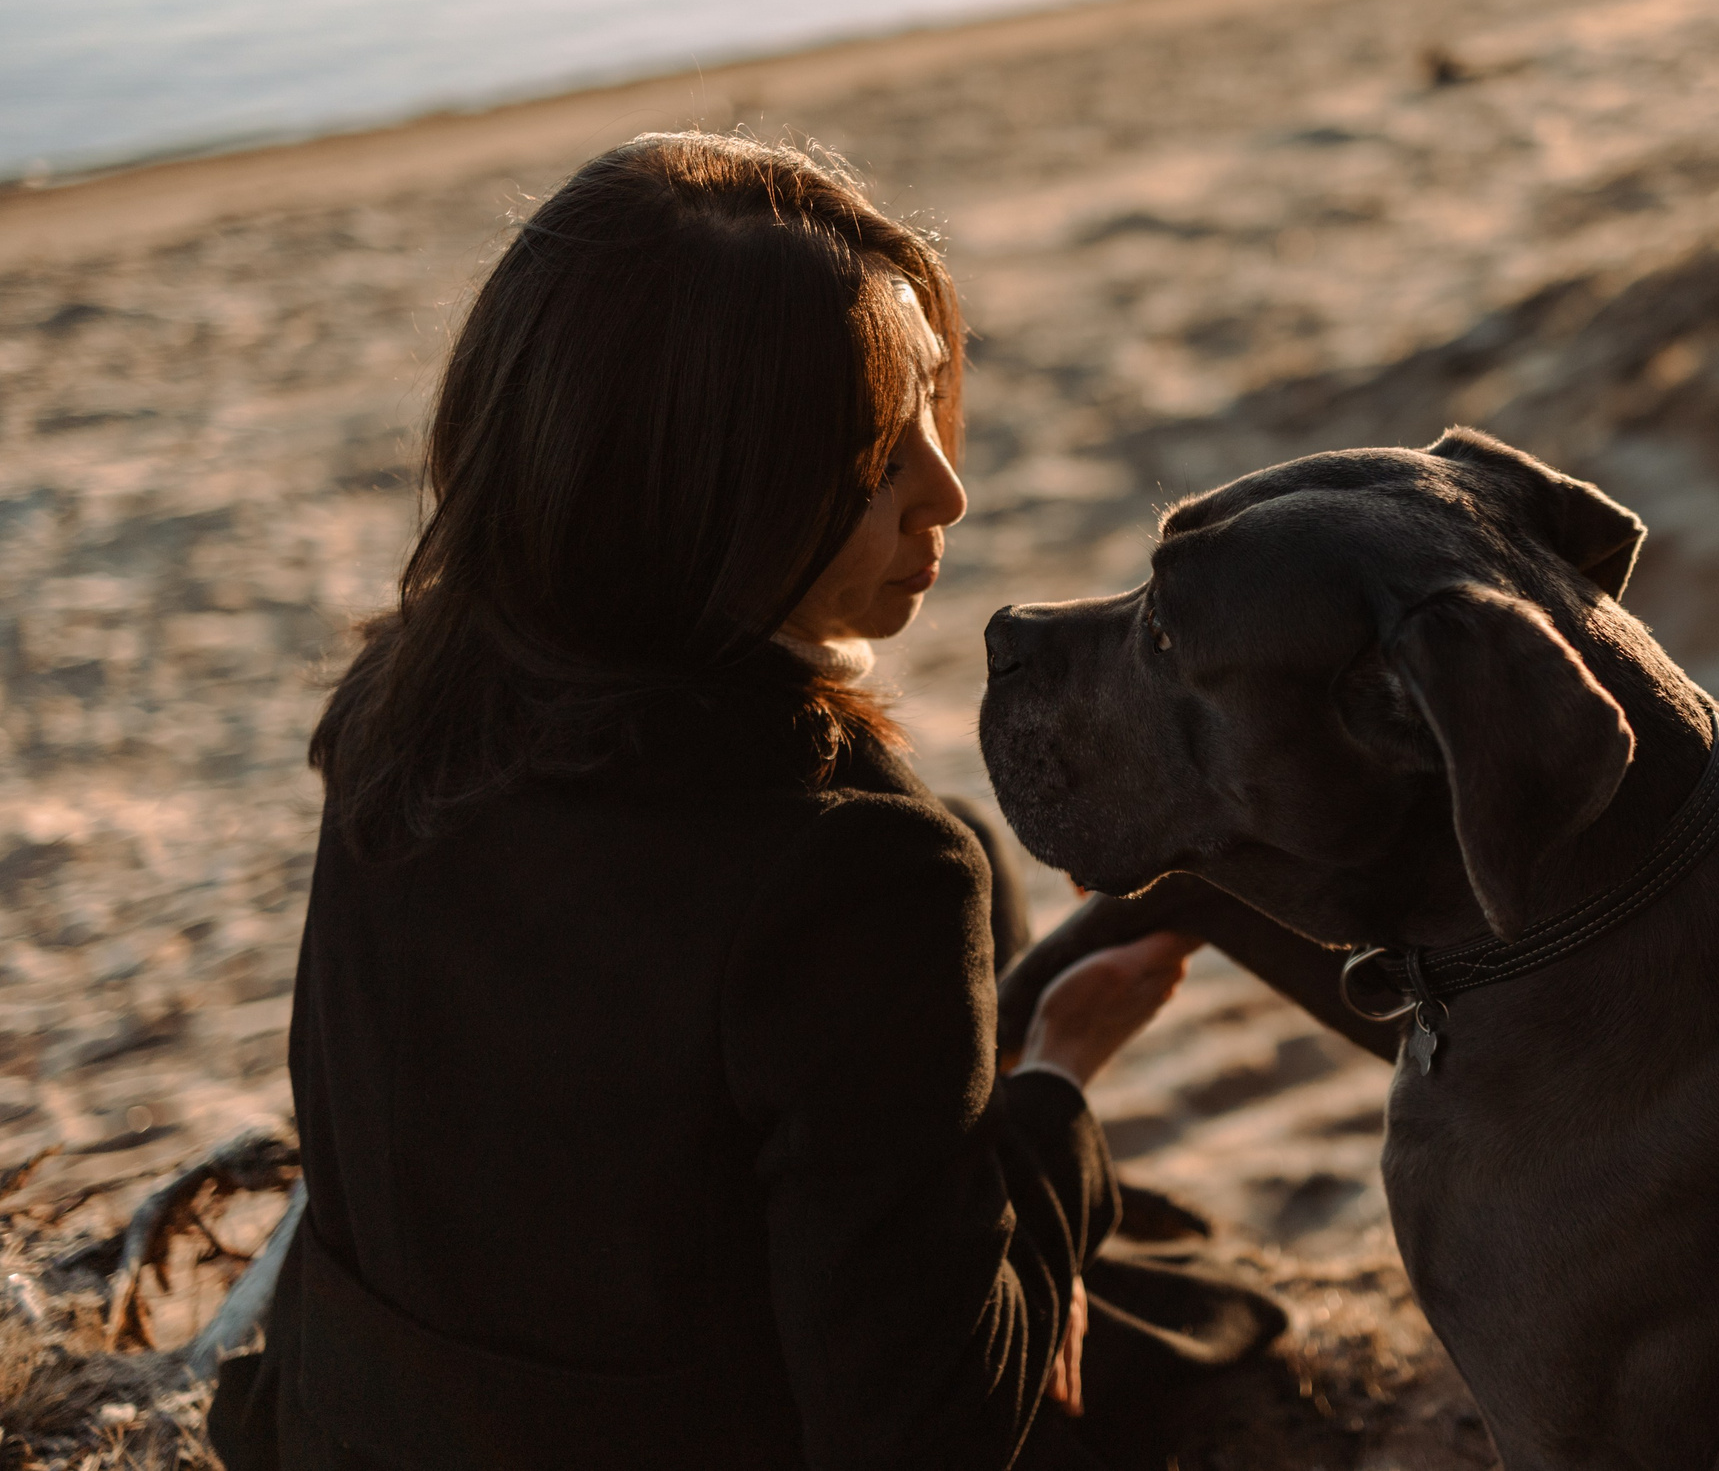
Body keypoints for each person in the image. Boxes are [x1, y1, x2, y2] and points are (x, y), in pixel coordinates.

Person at [206, 132, 1278, 1471]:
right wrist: (1058, 1083)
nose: (947, 495)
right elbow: (929, 1437)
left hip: (355, 1431)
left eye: (934, 410)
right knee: (1207, 1318)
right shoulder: (858, 878)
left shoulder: (398, 716)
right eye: (881, 456)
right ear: (699, 484)